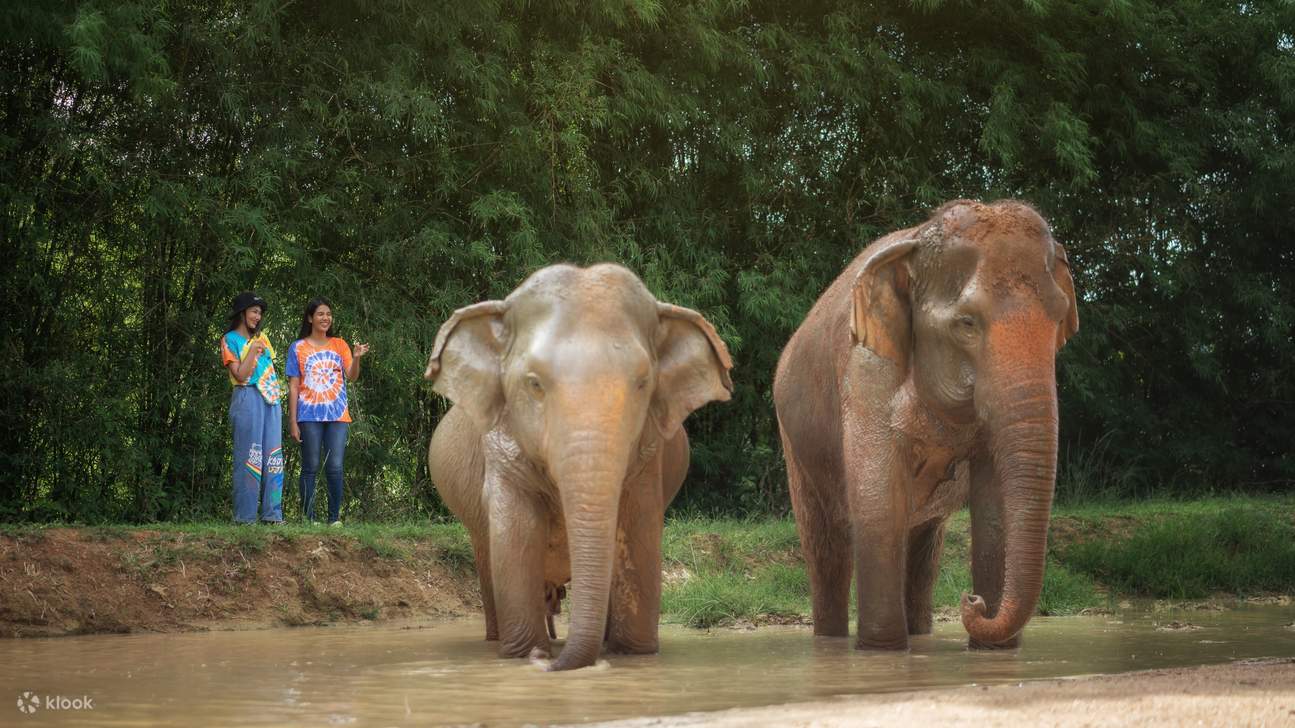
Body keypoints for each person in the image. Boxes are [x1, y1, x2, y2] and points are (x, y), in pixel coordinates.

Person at [285, 298, 370, 526]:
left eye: (329, 314)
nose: (326, 318)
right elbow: (293, 386)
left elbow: (351, 376)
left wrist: (357, 357)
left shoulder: (339, 344)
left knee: (335, 467)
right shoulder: (298, 347)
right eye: (321, 314)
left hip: (337, 415)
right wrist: (292, 420)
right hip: (308, 415)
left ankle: (334, 520)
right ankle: (308, 519)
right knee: (310, 466)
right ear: (310, 318)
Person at [220, 291, 286, 524]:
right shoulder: (229, 340)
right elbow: (240, 375)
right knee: (250, 458)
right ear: (242, 312)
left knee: (274, 458)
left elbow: (268, 369)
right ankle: (245, 518)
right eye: (254, 311)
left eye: (260, 313)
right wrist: (254, 349)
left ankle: (272, 515)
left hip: (272, 399)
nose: (258, 317)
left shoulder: (263, 338)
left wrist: (259, 344)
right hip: (247, 397)